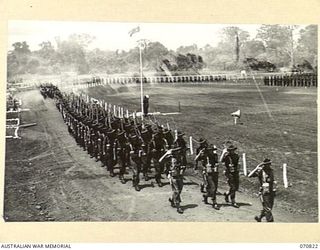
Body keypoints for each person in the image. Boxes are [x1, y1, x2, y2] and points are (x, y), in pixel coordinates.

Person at [165, 147, 186, 214]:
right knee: (176, 191)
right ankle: (178, 206)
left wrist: (182, 168)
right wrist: (166, 154)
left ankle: (172, 199)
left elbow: (183, 165)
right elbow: (160, 160)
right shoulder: (169, 158)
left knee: (179, 190)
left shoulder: (180, 158)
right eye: (176, 151)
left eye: (178, 151)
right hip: (173, 177)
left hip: (180, 176)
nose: (177, 152)